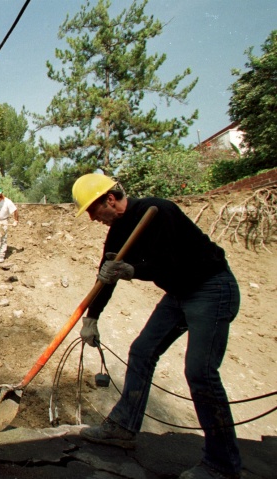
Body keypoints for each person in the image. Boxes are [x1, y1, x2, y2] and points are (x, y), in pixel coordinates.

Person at [72, 173, 242, 479]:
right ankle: (123, 427)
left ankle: (222, 463)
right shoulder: (118, 230)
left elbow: (174, 262)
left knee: (200, 372)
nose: (92, 218)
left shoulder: (158, 211)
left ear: (109, 200)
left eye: (92, 210)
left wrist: (134, 270)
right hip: (179, 293)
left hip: (211, 287)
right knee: (142, 350)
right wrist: (92, 317)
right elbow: (107, 275)